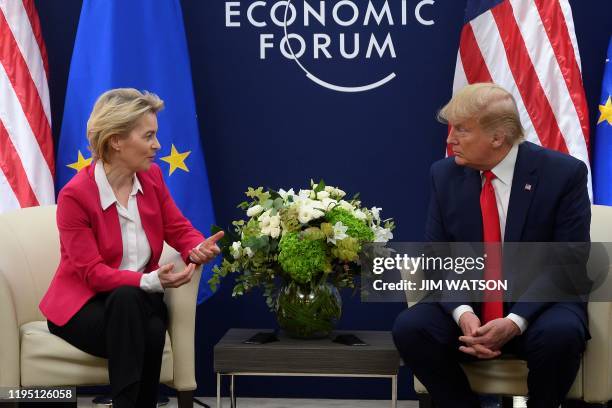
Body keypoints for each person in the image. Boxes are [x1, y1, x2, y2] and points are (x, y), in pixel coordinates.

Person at [392, 83, 590, 408]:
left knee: (562, 334)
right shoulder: (443, 176)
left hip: (538, 309)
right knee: (412, 328)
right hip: (474, 306)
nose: (450, 139)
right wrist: (464, 313)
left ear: (498, 138)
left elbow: (567, 262)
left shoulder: (562, 174)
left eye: (461, 130)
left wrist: (514, 322)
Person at [39, 88, 223, 408]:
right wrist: (151, 281)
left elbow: (177, 227)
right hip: (83, 309)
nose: (157, 145)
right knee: (147, 324)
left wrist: (195, 247)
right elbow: (93, 274)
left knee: (133, 304)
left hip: (135, 301)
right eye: (148, 136)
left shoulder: (151, 177)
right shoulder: (75, 196)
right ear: (116, 140)